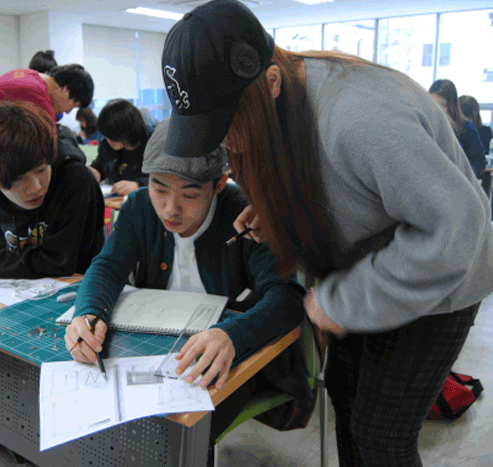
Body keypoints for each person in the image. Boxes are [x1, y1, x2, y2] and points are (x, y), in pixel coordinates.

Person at [160, 1, 493, 466]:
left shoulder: (359, 115)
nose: (224, 140)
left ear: (270, 82)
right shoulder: (285, 94)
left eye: (227, 123)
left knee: (381, 435)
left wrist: (343, 301)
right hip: (364, 263)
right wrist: (279, 211)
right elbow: (339, 182)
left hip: (440, 277)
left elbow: (455, 229)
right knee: (345, 399)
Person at [66, 118, 311, 465]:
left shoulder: (246, 214)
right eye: (160, 189)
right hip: (156, 351)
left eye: (190, 195)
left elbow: (287, 298)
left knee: (178, 440)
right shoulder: (139, 207)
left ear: (220, 184)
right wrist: (89, 312)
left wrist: (232, 334)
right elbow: (107, 267)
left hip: (233, 355)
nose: (171, 209)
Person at [0, 100, 104, 456]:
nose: (35, 187)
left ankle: (37, 435)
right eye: (17, 180)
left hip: (76, 295)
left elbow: (57, 263)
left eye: (41, 170)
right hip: (19, 293)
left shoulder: (73, 182)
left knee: (53, 361)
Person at [0, 65, 95, 233]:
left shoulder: (28, 77)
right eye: (74, 104)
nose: (68, 111)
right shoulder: (36, 97)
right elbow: (51, 150)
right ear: (66, 89)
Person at [89, 99, 152, 196]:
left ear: (125, 131)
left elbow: (165, 179)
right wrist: (94, 172)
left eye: (112, 136)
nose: (108, 140)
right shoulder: (107, 146)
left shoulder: (152, 143)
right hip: (116, 198)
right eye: (106, 135)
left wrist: (138, 184)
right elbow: (99, 166)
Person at [429, 80, 486, 178]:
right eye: (433, 103)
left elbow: (479, 163)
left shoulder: (466, 128)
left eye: (443, 105)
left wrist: (463, 176)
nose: (436, 109)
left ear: (452, 106)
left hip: (457, 181)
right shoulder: (427, 125)